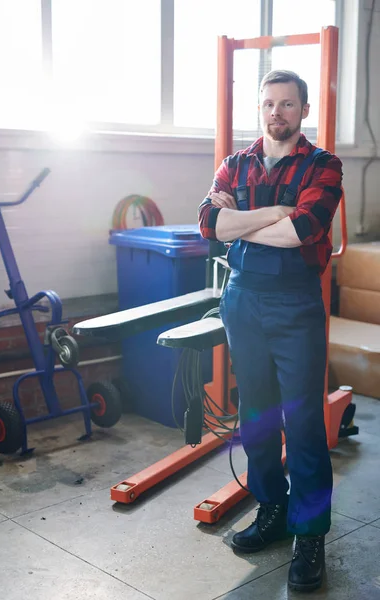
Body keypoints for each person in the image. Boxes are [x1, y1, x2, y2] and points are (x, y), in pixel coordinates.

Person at [198, 70, 343, 593]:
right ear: (260, 110)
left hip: (295, 303)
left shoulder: (323, 164)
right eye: (268, 104)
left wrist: (247, 221)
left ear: (304, 110)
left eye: (287, 104)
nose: (276, 112)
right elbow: (208, 226)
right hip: (242, 299)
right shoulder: (236, 163)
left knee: (304, 423)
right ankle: (273, 511)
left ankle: (310, 534)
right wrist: (273, 214)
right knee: (255, 415)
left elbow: (303, 229)